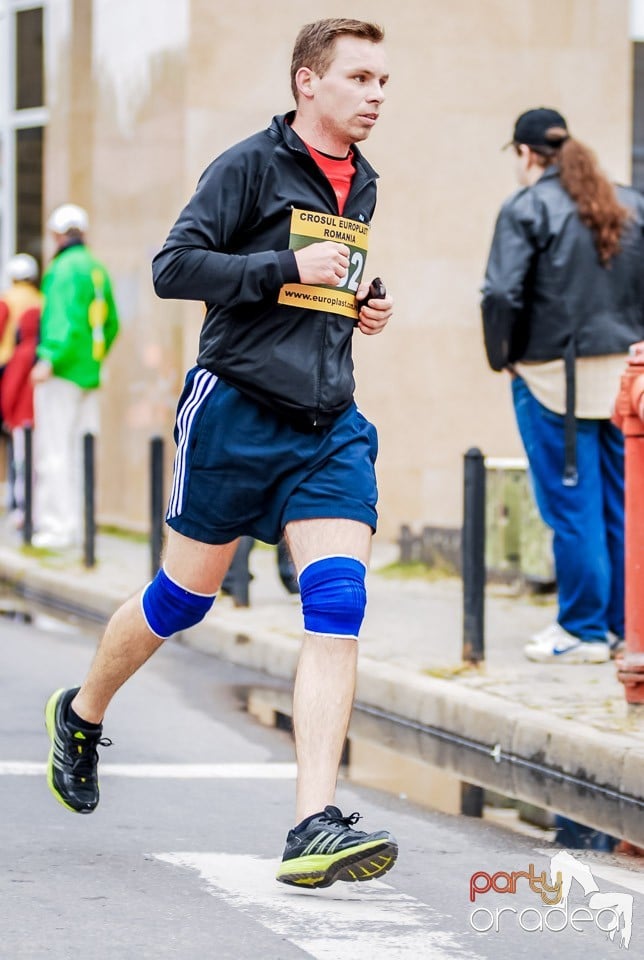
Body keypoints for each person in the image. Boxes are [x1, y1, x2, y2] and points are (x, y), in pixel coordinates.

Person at [45, 18, 397, 889]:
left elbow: (321, 286)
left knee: (339, 600)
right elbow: (174, 268)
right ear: (307, 83)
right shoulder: (248, 166)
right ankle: (82, 713)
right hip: (235, 413)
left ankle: (312, 821)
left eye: (384, 81)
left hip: (328, 423)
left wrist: (358, 307)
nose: (377, 94)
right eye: (359, 78)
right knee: (181, 599)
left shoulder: (365, 183)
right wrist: (285, 267)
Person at [482, 107, 644, 664]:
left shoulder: (526, 206)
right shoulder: (631, 203)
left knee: (571, 506)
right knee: (623, 507)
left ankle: (582, 630)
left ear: (526, 154)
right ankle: (627, 627)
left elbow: (501, 294)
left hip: (556, 380)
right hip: (628, 377)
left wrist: (503, 357)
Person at [31, 204, 119, 549]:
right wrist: (94, 359)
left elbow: (61, 320)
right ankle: (82, 525)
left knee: (55, 450)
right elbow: (111, 324)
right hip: (89, 373)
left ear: (57, 235)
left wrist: (48, 359)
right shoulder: (96, 268)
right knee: (82, 450)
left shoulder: (62, 269)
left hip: (63, 372)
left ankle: (58, 527)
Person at [0, 254, 42, 522]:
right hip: (35, 373)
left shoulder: (7, 299)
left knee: (16, 445)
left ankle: (16, 501)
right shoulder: (41, 299)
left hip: (7, 366)